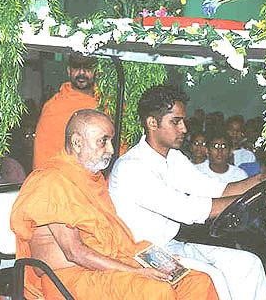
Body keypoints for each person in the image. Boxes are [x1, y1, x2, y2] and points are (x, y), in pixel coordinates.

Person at [11, 109, 219, 300]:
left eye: (111, 141)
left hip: (104, 264)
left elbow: (112, 237)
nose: (111, 149)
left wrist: (158, 261)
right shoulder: (52, 181)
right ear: (77, 142)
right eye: (103, 141)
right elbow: (75, 252)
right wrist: (137, 272)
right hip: (68, 277)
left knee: (197, 282)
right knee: (156, 292)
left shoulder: (92, 179)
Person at [109, 85, 266, 300]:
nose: (184, 128)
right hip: (142, 253)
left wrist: (260, 180)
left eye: (183, 121)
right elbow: (188, 210)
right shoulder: (132, 167)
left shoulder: (173, 158)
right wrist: (247, 198)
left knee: (247, 264)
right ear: (152, 123)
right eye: (175, 122)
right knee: (212, 277)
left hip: (170, 246)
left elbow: (215, 189)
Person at [33, 53, 98, 169]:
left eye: (87, 68)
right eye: (76, 67)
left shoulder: (107, 103)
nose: (81, 73)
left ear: (96, 71)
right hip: (63, 178)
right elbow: (43, 154)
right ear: (69, 70)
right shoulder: (55, 106)